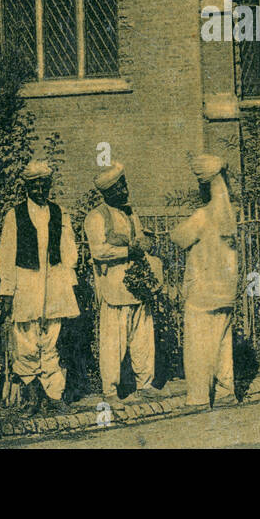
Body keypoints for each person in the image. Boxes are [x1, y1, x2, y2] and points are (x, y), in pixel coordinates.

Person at [0, 159, 79, 413]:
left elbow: (68, 250)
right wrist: (7, 291)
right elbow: (7, 254)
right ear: (27, 187)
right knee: (26, 339)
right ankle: (32, 395)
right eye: (34, 186)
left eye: (44, 185)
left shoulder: (59, 213)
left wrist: (71, 284)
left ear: (49, 186)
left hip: (55, 281)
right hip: (26, 282)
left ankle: (54, 395)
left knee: (51, 338)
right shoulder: (15, 215)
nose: (40, 191)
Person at [84, 162, 158, 401]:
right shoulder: (95, 217)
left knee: (142, 337)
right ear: (107, 193)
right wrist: (128, 252)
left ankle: (145, 385)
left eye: (124, 185)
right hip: (114, 288)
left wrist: (144, 243)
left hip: (138, 286)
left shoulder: (130, 213)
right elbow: (98, 251)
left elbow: (138, 239)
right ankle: (111, 390)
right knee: (113, 342)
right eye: (118, 188)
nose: (124, 191)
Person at [171, 154, 240, 408]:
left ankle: (198, 398)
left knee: (199, 346)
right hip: (226, 291)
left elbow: (178, 237)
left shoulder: (203, 215)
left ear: (205, 185)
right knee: (222, 346)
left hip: (203, 292)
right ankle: (225, 393)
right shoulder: (229, 214)